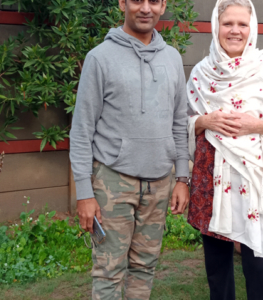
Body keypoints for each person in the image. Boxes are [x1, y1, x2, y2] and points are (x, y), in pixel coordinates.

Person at [69, 0, 190, 299]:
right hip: (112, 182)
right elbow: (82, 130)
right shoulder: (100, 58)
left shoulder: (173, 59)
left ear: (163, 6)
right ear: (123, 3)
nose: (145, 8)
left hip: (160, 182)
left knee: (144, 267)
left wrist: (182, 178)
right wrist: (84, 193)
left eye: (154, 1)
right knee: (108, 271)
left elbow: (179, 123)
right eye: (137, 0)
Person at [186, 0, 263, 299]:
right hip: (211, 176)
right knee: (217, 263)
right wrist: (204, 120)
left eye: (242, 24)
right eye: (228, 23)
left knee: (259, 263)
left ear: (252, 29)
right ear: (216, 26)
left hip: (254, 179)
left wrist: (255, 125)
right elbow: (182, 121)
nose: (235, 31)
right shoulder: (201, 72)